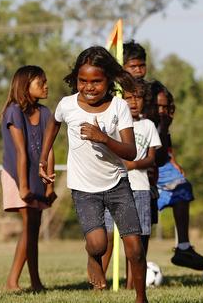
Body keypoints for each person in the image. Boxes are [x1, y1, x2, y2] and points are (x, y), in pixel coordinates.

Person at [38, 46, 148, 303]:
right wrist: (44, 157)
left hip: (117, 184)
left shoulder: (118, 107)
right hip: (84, 188)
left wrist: (103, 138)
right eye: (82, 81)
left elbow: (130, 151)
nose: (89, 87)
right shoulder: (67, 105)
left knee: (135, 248)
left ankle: (141, 298)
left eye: (96, 81)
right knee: (98, 244)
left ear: (108, 79)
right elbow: (53, 124)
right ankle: (92, 258)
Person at [123, 41, 203, 271]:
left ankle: (183, 247)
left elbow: (162, 130)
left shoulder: (153, 91)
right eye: (133, 66)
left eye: (142, 66)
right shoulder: (116, 95)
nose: (138, 71)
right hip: (129, 160)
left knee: (181, 188)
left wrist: (171, 158)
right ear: (122, 68)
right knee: (130, 218)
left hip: (154, 156)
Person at [0, 65, 57, 291]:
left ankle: (29, 282)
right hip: (16, 174)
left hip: (37, 176)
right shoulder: (14, 111)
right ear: (25, 86)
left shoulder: (45, 113)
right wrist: (23, 187)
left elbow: (49, 150)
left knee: (33, 228)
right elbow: (21, 152)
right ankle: (19, 282)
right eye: (40, 82)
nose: (46, 86)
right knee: (30, 226)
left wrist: (49, 186)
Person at [101, 79, 162, 289]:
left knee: (137, 239)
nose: (134, 102)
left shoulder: (148, 125)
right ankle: (99, 281)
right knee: (107, 236)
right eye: (129, 97)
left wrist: (134, 164)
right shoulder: (116, 124)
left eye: (138, 97)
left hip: (141, 189)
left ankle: (132, 283)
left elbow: (152, 157)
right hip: (116, 187)